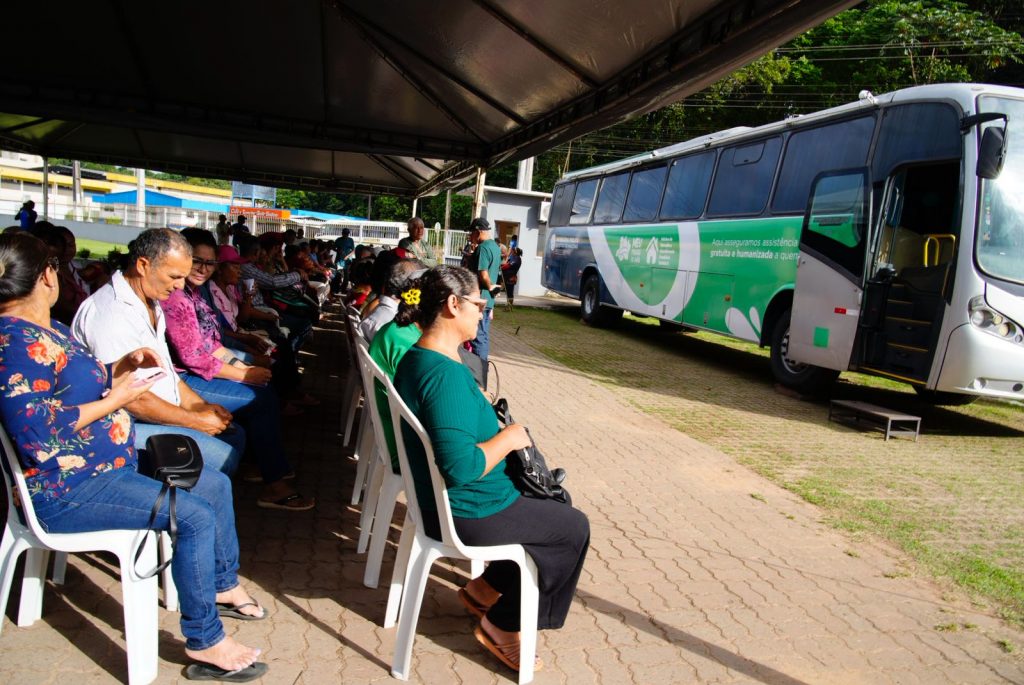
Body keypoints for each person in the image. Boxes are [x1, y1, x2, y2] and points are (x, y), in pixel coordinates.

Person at [0, 232, 269, 681]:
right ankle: (207, 640)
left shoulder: (45, 329)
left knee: (214, 481)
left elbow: (72, 387)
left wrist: (117, 368)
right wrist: (115, 398)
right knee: (197, 516)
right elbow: (38, 435)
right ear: (46, 276)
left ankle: (221, 584)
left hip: (102, 464)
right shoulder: (16, 344)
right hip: (67, 487)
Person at [393, 265, 589, 673]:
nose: (483, 313)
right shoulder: (443, 376)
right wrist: (510, 438)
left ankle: (483, 589)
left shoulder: (420, 358)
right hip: (469, 511)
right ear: (453, 305)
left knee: (556, 504)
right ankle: (502, 623)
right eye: (479, 305)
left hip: (448, 503)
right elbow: (461, 467)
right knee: (573, 527)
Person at [71, 229, 246, 478]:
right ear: (143, 265)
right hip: (123, 424)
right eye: (174, 276)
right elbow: (133, 400)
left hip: (159, 410)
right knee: (220, 459)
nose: (180, 285)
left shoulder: (149, 299)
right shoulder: (111, 315)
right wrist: (195, 421)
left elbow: (167, 372)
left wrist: (201, 406)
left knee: (233, 434)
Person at [160, 229, 314, 510]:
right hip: (182, 380)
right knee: (261, 398)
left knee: (263, 387)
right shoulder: (175, 298)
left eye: (210, 263)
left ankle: (263, 463)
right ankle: (274, 483)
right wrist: (243, 373)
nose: (203, 269)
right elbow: (193, 356)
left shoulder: (194, 295)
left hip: (200, 370)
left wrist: (241, 366)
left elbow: (213, 342)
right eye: (197, 261)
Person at [468, 218, 501, 384]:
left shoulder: (482, 248)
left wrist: (489, 288)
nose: (470, 236)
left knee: (478, 337)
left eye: (471, 233)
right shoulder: (495, 247)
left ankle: (478, 378)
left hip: (479, 300)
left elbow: (483, 274)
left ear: (478, 231)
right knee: (484, 337)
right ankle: (482, 373)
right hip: (488, 302)